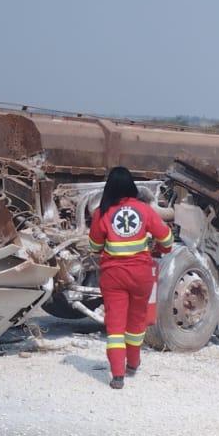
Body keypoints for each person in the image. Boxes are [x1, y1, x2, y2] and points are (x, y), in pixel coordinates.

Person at [87, 166, 174, 389]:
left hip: (113, 276)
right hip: (141, 275)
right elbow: (166, 237)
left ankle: (117, 376)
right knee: (136, 321)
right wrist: (162, 250)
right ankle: (133, 363)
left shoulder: (102, 212)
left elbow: (95, 246)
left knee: (115, 325)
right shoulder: (143, 209)